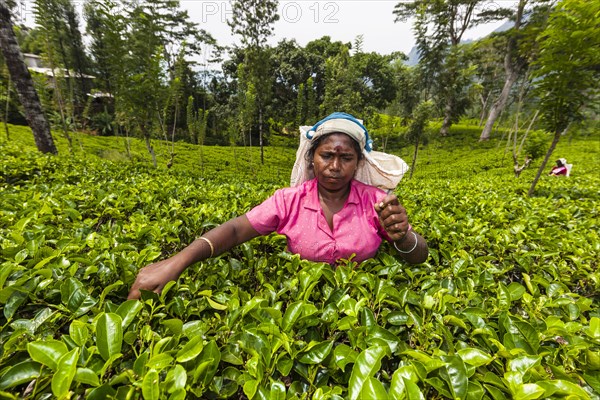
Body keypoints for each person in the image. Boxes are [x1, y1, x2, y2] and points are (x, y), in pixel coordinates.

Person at [128, 112, 428, 299]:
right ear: (312, 157)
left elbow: (418, 256)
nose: (335, 166)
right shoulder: (289, 200)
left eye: (346, 158)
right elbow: (234, 230)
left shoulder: (376, 202)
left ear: (358, 162)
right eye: (327, 156)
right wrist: (176, 262)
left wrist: (404, 237)